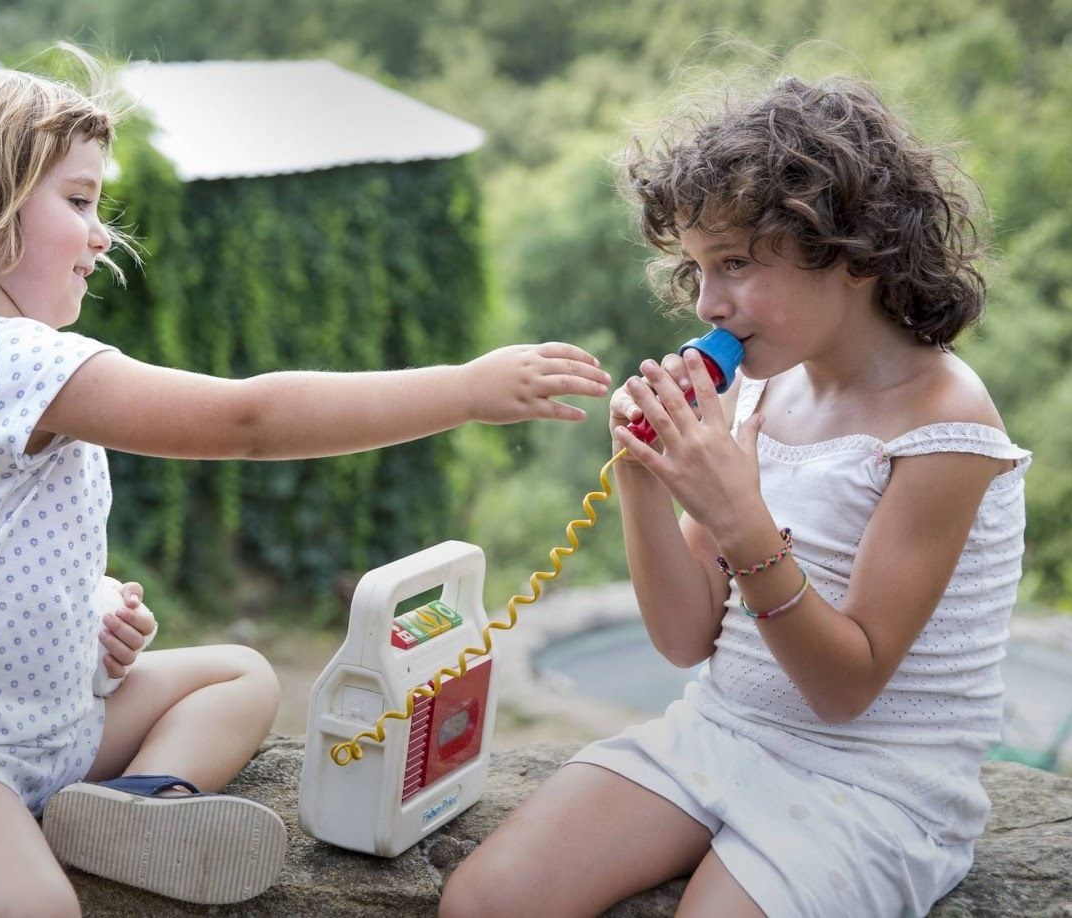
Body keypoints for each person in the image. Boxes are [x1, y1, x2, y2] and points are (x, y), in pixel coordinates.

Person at [0, 51, 611, 916]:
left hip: (48, 729)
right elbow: (249, 422)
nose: (102, 233)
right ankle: (118, 810)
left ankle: (134, 810)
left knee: (239, 676)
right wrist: (463, 389)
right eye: (77, 201)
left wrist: (92, 605)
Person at [440, 75, 1030, 918]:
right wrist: (645, 479)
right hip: (725, 733)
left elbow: (845, 689)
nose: (708, 303)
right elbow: (684, 640)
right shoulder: (758, 392)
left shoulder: (944, 425)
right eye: (697, 269)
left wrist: (738, 515)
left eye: (737, 264)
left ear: (854, 253)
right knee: (486, 902)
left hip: (876, 779)